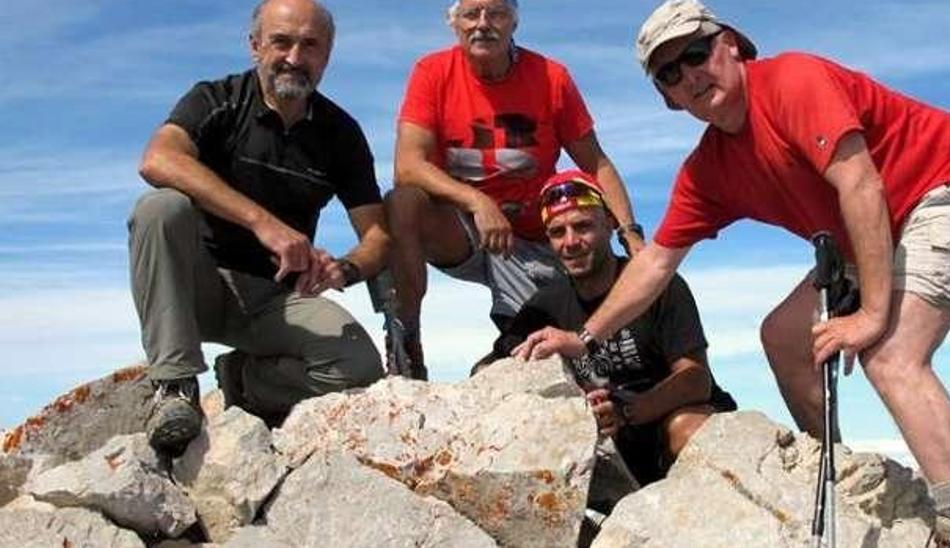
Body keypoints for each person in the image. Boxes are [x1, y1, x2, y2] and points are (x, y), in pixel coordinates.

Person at [515, 1, 950, 545]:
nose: (690, 74)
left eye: (697, 52)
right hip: (866, 230)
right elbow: (655, 261)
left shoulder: (794, 80)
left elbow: (860, 185)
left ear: (731, 44)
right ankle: (839, 471)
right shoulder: (708, 170)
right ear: (669, 98)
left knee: (891, 355)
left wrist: (872, 314)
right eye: (671, 73)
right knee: (782, 336)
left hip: (949, 186)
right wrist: (584, 338)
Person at [130, 0, 389, 454]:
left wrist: (344, 270)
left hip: (275, 297)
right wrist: (262, 223)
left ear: (327, 55)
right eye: (281, 42)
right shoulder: (217, 100)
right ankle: (174, 389)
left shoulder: (341, 133)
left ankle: (243, 381)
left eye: (310, 45)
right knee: (160, 209)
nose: (294, 57)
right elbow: (158, 159)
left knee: (358, 366)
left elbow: (378, 237)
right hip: (198, 286)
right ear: (255, 46)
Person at [385, 0, 645, 379]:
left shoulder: (551, 77)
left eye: (496, 14)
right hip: (469, 231)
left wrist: (630, 235)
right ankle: (406, 344)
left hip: (538, 238)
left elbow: (597, 163)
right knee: (403, 203)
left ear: (514, 22)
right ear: (454, 23)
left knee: (551, 351)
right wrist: (478, 201)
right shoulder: (432, 72)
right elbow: (407, 166)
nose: (483, 24)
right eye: (471, 14)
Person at [486, 170, 735, 485]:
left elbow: (696, 379)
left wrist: (629, 411)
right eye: (557, 232)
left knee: (686, 429)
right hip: (608, 444)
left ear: (609, 223)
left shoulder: (657, 285)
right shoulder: (545, 306)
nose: (571, 242)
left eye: (583, 226)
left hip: (665, 421)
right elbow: (489, 369)